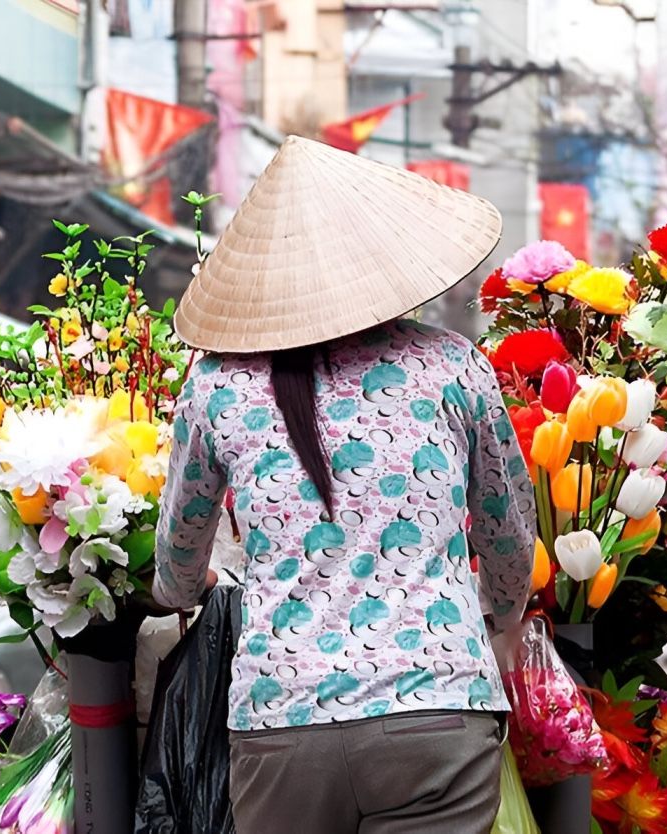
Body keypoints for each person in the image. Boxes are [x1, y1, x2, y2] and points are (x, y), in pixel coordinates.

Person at [151, 137, 534, 833]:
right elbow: (509, 533)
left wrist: (186, 590)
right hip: (438, 707)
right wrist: (494, 611)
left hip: (281, 716)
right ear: (381, 266)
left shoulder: (216, 387)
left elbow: (178, 562)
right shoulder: (454, 366)